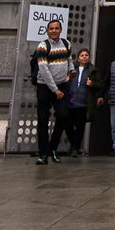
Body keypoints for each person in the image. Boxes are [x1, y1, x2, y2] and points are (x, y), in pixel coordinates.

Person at [31, 19, 76, 163]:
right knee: (43, 120)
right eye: (51, 28)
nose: (54, 30)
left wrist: (71, 70)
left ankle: (53, 148)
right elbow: (43, 70)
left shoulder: (66, 44)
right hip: (45, 86)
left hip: (62, 85)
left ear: (61, 30)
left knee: (63, 116)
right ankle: (43, 154)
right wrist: (55, 90)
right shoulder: (43, 46)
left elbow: (69, 60)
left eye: (56, 28)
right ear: (47, 31)